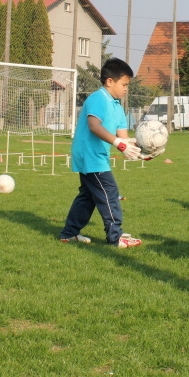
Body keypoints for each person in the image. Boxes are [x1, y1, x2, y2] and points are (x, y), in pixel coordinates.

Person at [59, 58, 143, 248]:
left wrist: (143, 151)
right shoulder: (98, 98)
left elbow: (123, 137)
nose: (126, 89)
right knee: (109, 192)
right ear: (109, 81)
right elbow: (94, 126)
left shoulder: (117, 106)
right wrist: (119, 144)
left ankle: (69, 233)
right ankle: (115, 237)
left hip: (97, 156)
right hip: (90, 156)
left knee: (88, 196)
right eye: (124, 84)